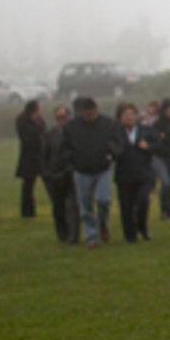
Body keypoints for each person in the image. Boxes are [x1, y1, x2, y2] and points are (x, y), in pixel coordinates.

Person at [61, 96, 119, 248]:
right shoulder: (70, 127)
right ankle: (91, 237)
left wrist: (112, 154)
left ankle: (102, 223)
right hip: (81, 171)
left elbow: (118, 142)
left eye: (93, 113)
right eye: (87, 114)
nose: (90, 116)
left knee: (103, 200)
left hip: (103, 169)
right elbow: (64, 148)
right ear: (80, 112)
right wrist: (72, 160)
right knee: (85, 205)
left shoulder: (108, 123)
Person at [112, 101, 160, 244]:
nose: (130, 117)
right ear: (119, 117)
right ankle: (130, 235)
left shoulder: (145, 130)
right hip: (124, 174)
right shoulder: (115, 132)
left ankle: (143, 228)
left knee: (142, 201)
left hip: (144, 173)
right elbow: (111, 149)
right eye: (126, 114)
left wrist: (148, 146)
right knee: (126, 206)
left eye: (133, 114)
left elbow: (158, 144)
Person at [40, 104, 76, 244]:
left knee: (73, 206)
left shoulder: (76, 133)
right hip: (55, 175)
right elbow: (45, 156)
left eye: (63, 117)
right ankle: (62, 233)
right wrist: (48, 174)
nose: (61, 121)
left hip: (71, 173)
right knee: (58, 206)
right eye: (58, 118)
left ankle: (73, 233)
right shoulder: (50, 134)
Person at [14, 100, 45, 219]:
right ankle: (27, 211)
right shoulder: (24, 122)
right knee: (28, 184)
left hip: (39, 155)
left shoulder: (38, 120)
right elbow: (29, 139)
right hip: (29, 157)